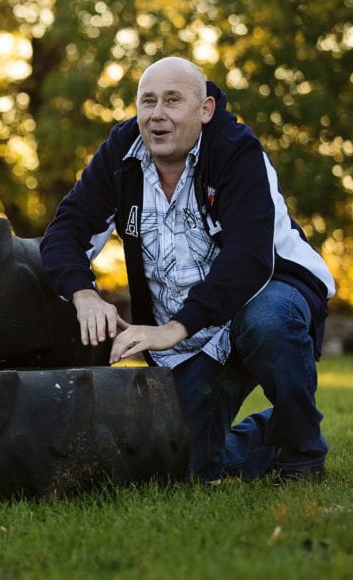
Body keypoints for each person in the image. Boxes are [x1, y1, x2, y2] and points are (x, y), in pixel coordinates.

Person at [39, 56, 336, 484]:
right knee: (189, 467)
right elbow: (65, 232)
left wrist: (174, 327)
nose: (157, 114)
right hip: (191, 339)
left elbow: (248, 259)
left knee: (268, 322)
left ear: (205, 109)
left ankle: (303, 454)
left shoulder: (237, 151)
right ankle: (279, 430)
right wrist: (84, 295)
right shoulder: (120, 155)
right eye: (148, 102)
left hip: (265, 297)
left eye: (173, 101)